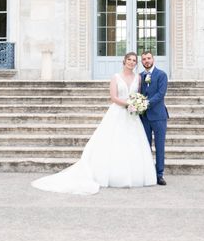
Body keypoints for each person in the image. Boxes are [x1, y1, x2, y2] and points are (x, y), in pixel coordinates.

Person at [31, 52, 157, 195]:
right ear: (124, 61)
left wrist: (137, 105)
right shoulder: (116, 77)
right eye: (129, 60)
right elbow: (114, 97)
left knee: (133, 143)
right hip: (118, 113)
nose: (132, 62)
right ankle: (110, 175)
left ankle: (134, 174)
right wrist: (128, 104)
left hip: (132, 116)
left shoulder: (139, 78)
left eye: (134, 60)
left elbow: (139, 95)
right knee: (113, 143)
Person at [139, 51, 169, 186]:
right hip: (144, 117)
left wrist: (146, 103)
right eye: (144, 59)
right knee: (145, 146)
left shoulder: (161, 75)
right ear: (141, 62)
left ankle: (159, 174)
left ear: (153, 59)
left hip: (159, 116)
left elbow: (160, 94)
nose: (146, 61)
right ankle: (148, 173)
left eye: (148, 58)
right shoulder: (139, 77)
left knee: (159, 146)